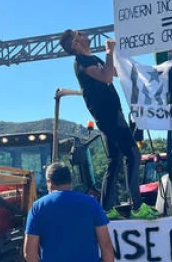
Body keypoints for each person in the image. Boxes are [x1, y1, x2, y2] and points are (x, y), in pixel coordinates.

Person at [58, 29, 158, 220]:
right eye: (81, 34)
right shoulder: (81, 62)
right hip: (108, 115)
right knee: (132, 154)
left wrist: (134, 69)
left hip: (112, 113)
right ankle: (137, 206)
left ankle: (106, 209)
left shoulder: (93, 59)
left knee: (115, 160)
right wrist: (109, 52)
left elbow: (114, 72)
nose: (86, 36)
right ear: (75, 44)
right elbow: (106, 77)